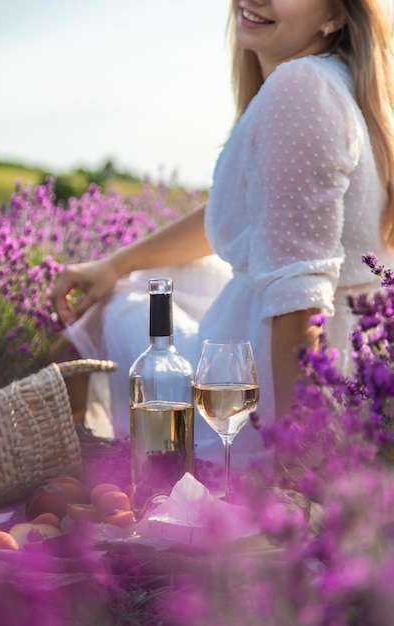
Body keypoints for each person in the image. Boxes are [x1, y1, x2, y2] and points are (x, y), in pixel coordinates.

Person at [51, 0, 394, 471]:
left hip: (268, 398)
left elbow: (300, 297)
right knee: (150, 279)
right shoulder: (345, 86)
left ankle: (80, 464)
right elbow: (254, 214)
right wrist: (116, 263)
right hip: (357, 369)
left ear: (336, 15)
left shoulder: (301, 88)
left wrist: (304, 469)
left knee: (118, 306)